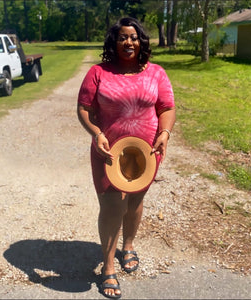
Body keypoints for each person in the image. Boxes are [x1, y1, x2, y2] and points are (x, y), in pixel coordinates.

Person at [77, 17, 175, 299]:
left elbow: (167, 107)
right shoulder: (98, 72)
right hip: (108, 152)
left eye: (133, 37)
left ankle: (128, 245)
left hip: (145, 153)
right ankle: (108, 267)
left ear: (141, 41)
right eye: (122, 37)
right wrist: (96, 133)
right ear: (114, 41)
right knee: (111, 207)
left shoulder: (156, 72)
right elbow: (83, 109)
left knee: (135, 201)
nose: (128, 42)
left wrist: (165, 133)